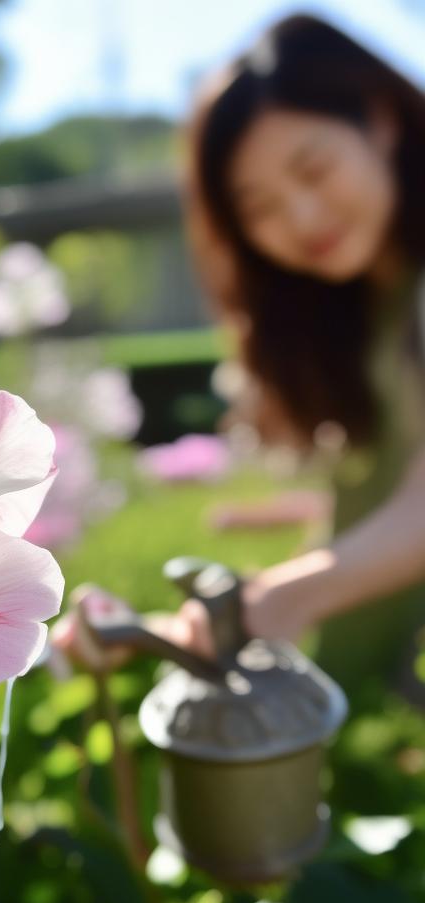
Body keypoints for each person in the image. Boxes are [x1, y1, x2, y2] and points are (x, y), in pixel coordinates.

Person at [69, 14, 425, 696]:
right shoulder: (368, 313)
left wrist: (279, 599)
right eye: (258, 206)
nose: (301, 218)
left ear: (380, 121)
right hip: (378, 707)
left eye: (313, 169)